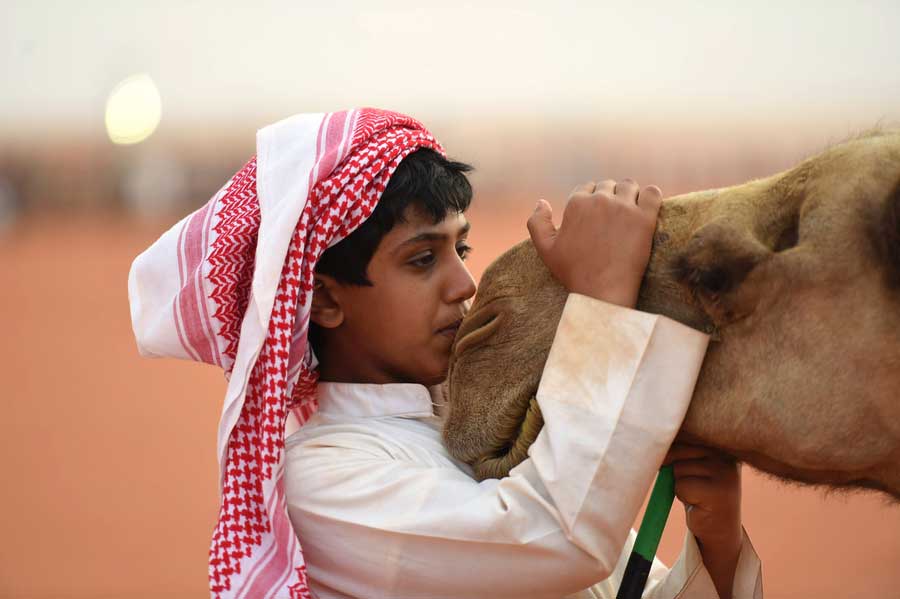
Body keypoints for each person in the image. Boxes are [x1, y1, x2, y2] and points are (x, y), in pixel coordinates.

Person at [128, 108, 762, 599]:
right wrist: (600, 305)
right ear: (323, 300)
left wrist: (718, 543)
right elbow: (556, 538)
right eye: (422, 259)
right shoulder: (320, 482)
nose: (463, 284)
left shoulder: (472, 431)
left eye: (460, 250)